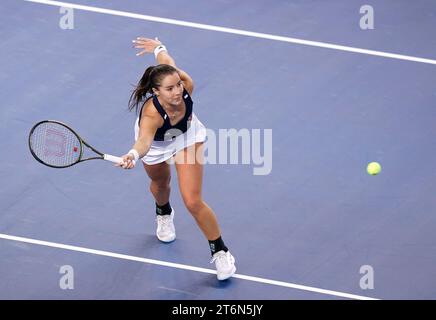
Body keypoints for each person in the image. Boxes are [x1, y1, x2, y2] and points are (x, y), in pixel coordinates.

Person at [117, 37, 236, 281]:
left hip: (187, 137)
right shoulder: (151, 114)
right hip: (156, 145)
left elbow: (167, 62)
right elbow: (144, 142)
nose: (177, 91)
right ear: (155, 91)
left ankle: (221, 251)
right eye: (169, 89)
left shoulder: (185, 85)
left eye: (178, 85)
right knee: (161, 183)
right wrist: (132, 154)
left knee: (192, 200)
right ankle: (163, 212)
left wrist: (158, 48)